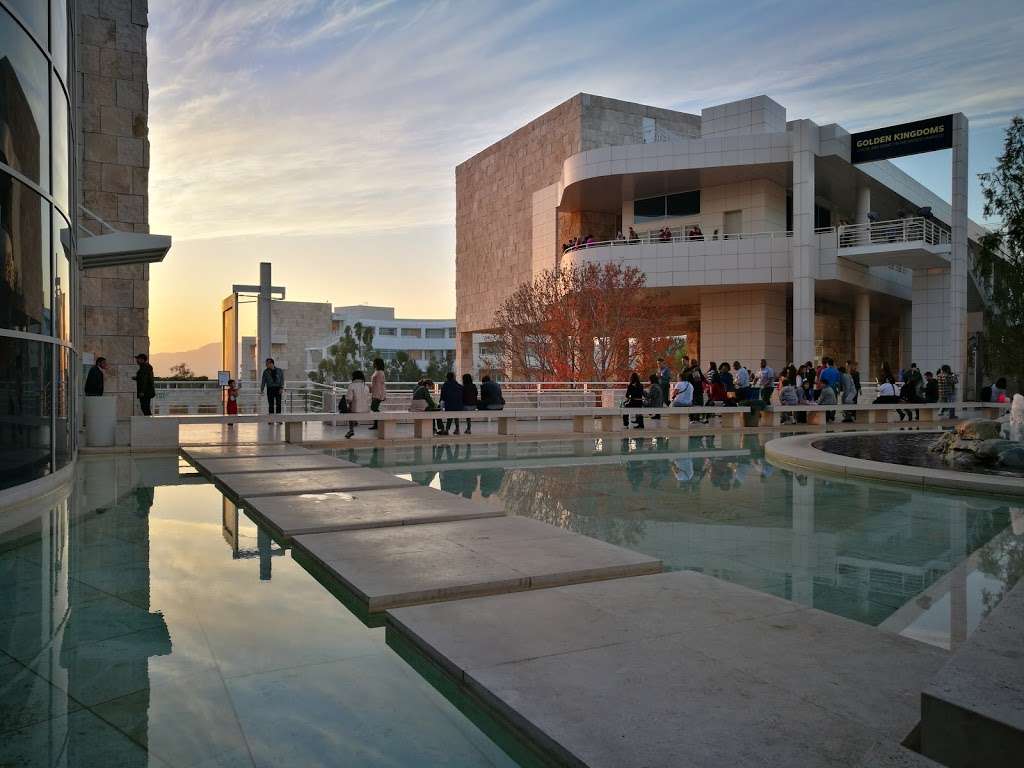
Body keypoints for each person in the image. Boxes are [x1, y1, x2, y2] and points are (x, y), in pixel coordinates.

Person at [344, 371, 370, 439]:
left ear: (354, 377)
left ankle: (351, 430)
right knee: (352, 408)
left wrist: (348, 404)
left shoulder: (351, 385)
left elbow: (349, 399)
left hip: (355, 410)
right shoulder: (366, 386)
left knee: (349, 409)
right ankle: (355, 421)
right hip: (366, 409)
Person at [369, 357, 386, 430]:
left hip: (377, 394)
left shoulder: (379, 373)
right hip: (375, 393)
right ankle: (376, 424)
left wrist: (379, 395)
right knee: (374, 408)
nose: (373, 364)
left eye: (374, 362)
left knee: (373, 408)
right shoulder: (377, 372)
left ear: (377, 364)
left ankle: (379, 421)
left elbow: (380, 385)